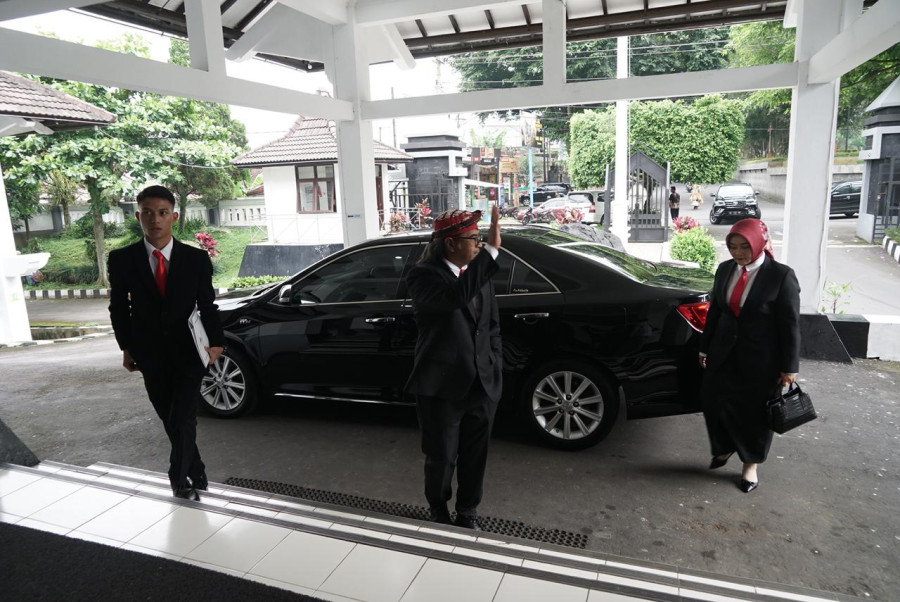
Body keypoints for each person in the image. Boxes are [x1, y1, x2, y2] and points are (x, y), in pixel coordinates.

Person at [108, 184, 225, 501]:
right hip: (149, 353)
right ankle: (197, 469)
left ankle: (178, 479)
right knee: (170, 417)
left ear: (173, 216)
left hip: (190, 352)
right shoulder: (122, 259)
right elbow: (118, 307)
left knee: (183, 415)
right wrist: (126, 347)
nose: (155, 219)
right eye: (147, 212)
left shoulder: (196, 259)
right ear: (138, 216)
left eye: (162, 213)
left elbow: (207, 305)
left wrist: (217, 343)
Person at [404, 204, 503, 530]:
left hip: (481, 384)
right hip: (442, 387)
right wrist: (491, 252)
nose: (479, 244)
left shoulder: (478, 275)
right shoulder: (423, 276)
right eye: (473, 239)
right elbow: (454, 298)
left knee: (476, 457)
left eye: (480, 239)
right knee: (442, 457)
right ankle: (438, 509)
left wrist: (495, 366)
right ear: (450, 244)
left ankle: (468, 512)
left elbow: (491, 328)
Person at [698, 218, 800, 493]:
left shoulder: (781, 276)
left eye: (744, 246)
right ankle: (724, 447)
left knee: (755, 413)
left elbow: (789, 324)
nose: (738, 253)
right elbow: (716, 313)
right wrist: (704, 347)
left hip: (762, 360)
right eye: (733, 246)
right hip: (723, 352)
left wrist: (790, 366)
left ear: (759, 243)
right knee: (713, 401)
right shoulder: (724, 269)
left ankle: (750, 464)